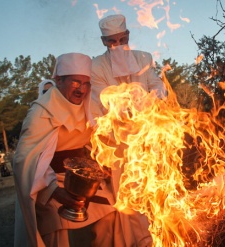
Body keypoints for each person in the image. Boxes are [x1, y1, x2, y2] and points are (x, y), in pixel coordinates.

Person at [13, 53, 117, 247]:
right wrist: (55, 191)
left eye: (86, 83)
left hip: (85, 179)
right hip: (49, 182)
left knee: (111, 213)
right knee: (59, 224)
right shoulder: (41, 113)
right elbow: (26, 160)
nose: (82, 90)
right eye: (76, 82)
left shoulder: (90, 107)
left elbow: (97, 142)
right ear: (59, 80)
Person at [90, 14, 168, 247]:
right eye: (111, 41)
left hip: (149, 139)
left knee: (156, 192)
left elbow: (157, 85)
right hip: (119, 147)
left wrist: (152, 97)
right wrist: (129, 103)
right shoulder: (96, 66)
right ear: (104, 42)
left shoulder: (143, 57)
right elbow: (103, 100)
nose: (117, 45)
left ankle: (161, 237)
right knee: (130, 198)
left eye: (121, 39)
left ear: (128, 36)